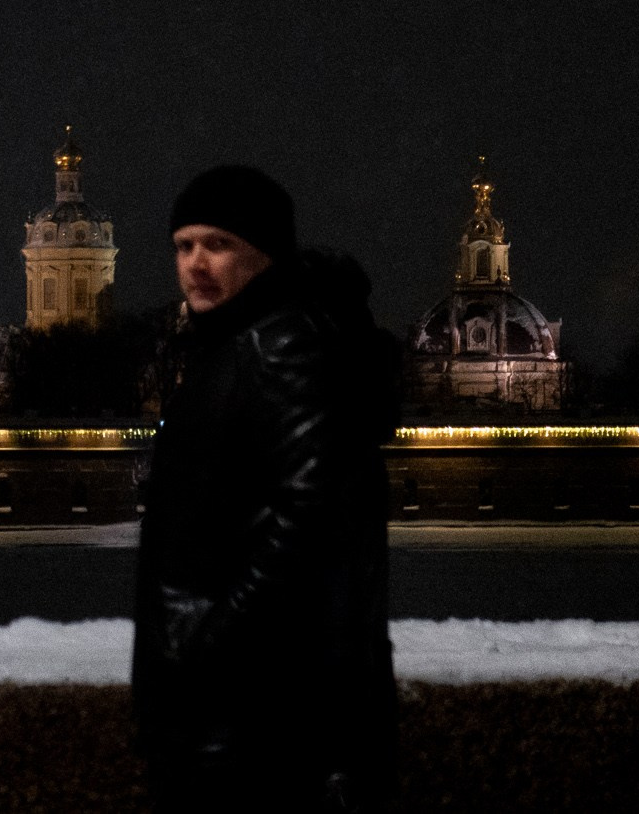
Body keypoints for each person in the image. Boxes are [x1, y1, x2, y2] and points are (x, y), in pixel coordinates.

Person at [133, 165, 399, 811]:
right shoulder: (243, 342)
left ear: (265, 254)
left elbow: (306, 525)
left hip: (253, 721)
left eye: (218, 244)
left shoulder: (279, 346)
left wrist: (209, 638)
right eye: (183, 245)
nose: (196, 262)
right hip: (251, 712)